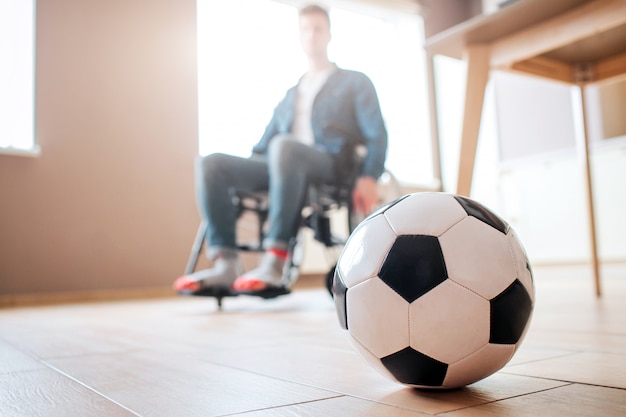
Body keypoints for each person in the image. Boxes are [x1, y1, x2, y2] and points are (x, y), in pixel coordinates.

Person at [173, 4, 387, 295]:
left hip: (329, 163)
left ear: (329, 35)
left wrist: (369, 176)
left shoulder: (354, 81)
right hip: (281, 163)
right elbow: (263, 147)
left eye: (317, 29)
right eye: (305, 29)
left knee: (284, 147)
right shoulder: (291, 95)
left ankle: (275, 260)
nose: (311, 35)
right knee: (211, 163)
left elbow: (377, 134)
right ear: (299, 37)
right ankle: (227, 264)